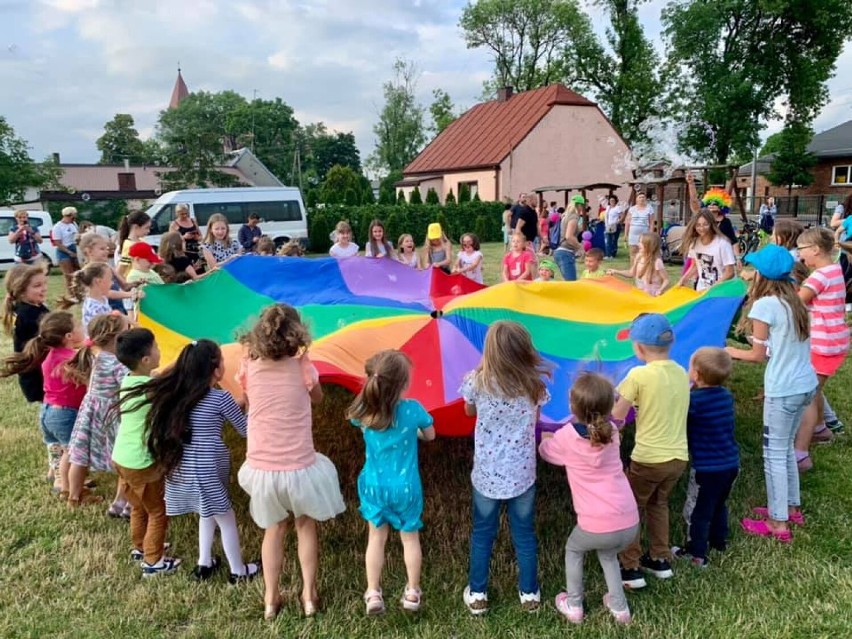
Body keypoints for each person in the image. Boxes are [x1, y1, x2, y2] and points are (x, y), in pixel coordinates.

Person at [236, 304, 345, 620]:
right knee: (304, 523)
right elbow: (319, 398)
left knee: (275, 529)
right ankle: (309, 595)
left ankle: (271, 598)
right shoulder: (303, 368)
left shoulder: (248, 368)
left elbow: (245, 400)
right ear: (297, 335)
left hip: (262, 467)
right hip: (299, 466)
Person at [126, 339, 260, 583]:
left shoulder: (179, 397)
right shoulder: (221, 399)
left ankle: (204, 563)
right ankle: (238, 571)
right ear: (217, 369)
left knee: (206, 512)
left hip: (186, 465)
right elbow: (246, 430)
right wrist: (251, 407)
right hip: (208, 466)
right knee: (226, 518)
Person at [459, 321, 550, 615]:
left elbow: (469, 410)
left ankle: (477, 594)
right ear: (524, 351)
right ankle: (529, 594)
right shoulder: (534, 385)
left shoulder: (477, 381)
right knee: (524, 534)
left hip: (486, 474)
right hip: (522, 474)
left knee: (483, 534)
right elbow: (535, 420)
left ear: (490, 351)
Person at [726, 245, 816, 541]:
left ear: (763, 275)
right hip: (804, 384)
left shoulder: (765, 305)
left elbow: (756, 355)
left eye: (754, 270)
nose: (750, 274)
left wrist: (727, 350)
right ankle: (790, 507)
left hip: (784, 389)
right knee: (786, 448)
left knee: (774, 455)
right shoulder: (796, 301)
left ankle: (779, 524)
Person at [539, 373, 639, 626]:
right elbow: (599, 435)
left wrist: (544, 439)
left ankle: (574, 604)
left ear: (572, 407)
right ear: (609, 406)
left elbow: (548, 454)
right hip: (629, 521)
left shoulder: (566, 437)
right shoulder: (613, 433)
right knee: (608, 555)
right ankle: (619, 607)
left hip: (595, 524)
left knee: (574, 550)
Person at [347, 350, 436, 615]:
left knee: (376, 538)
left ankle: (373, 592)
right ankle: (412, 592)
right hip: (406, 488)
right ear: (404, 384)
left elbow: (361, 424)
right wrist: (415, 432)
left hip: (374, 485)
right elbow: (430, 435)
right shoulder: (413, 410)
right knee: (410, 539)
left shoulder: (363, 409)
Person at [610, 313, 689, 590]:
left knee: (632, 508)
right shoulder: (681, 372)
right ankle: (660, 559)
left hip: (648, 458)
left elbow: (617, 418)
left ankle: (630, 567)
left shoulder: (638, 375)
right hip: (678, 457)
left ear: (639, 347)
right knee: (659, 504)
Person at [112, 328, 182, 577]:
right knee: (157, 511)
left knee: (139, 506)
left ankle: (140, 547)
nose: (160, 350)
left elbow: (157, 377)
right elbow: (171, 390)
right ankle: (153, 562)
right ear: (146, 359)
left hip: (121, 457)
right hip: (141, 463)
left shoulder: (129, 381)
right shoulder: (152, 389)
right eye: (157, 347)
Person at [1, 311, 87, 498]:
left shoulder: (51, 355)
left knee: (62, 450)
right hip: (65, 414)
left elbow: (83, 348)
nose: (83, 328)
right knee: (71, 454)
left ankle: (65, 481)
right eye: (79, 326)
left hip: (48, 411)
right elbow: (84, 367)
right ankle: (67, 489)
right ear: (69, 336)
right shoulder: (71, 358)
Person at [672, 348, 739, 567]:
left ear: (697, 375)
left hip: (707, 470)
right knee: (719, 504)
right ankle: (719, 541)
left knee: (698, 511)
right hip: (730, 464)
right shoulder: (726, 397)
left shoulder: (694, 402)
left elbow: (679, 418)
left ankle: (696, 553)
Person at [794, 227, 849, 468]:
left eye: (801, 250)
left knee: (808, 393)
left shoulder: (819, 276)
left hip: (824, 343)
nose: (799, 255)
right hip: (834, 341)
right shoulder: (834, 269)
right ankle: (820, 429)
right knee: (815, 390)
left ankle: (801, 451)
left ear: (815, 250)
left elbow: (797, 301)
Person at [66, 313, 130, 512]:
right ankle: (122, 502)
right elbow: (131, 383)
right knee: (124, 458)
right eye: (127, 330)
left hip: (90, 413)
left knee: (79, 456)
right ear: (116, 338)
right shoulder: (116, 363)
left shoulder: (96, 355)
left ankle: (73, 496)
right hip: (109, 415)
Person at [2, 264, 51, 483]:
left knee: (53, 421)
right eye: (37, 286)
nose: (44, 289)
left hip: (39, 375)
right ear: (21, 290)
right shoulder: (29, 316)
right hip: (39, 377)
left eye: (44, 284)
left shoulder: (33, 309)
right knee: (55, 424)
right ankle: (60, 470)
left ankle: (57, 467)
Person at [59, 262, 140, 334]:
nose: (112, 283)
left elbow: (111, 295)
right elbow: (105, 332)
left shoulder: (100, 297)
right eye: (110, 279)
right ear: (98, 281)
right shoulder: (95, 308)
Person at [77, 232, 138, 314]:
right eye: (102, 249)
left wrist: (138, 282)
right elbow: (106, 293)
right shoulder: (89, 271)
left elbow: (125, 286)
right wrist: (130, 295)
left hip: (118, 306)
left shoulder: (107, 266)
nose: (106, 252)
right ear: (89, 251)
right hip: (103, 309)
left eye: (107, 249)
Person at [676, 211, 736, 291]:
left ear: (711, 225)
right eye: (698, 225)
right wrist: (682, 281)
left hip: (723, 291)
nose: (702, 228)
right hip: (702, 289)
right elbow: (694, 266)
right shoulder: (694, 244)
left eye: (705, 224)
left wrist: (712, 289)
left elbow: (730, 272)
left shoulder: (723, 244)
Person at [116, 210, 152, 278]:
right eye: (146, 228)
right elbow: (121, 270)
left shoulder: (142, 241)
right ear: (136, 227)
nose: (148, 231)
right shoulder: (129, 245)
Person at [553, 202, 583, 281]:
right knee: (571, 283)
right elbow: (569, 236)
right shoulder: (573, 217)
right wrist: (580, 247)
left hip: (561, 251)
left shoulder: (565, 216)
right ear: (579, 205)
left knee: (567, 282)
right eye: (583, 205)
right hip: (565, 252)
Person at [53, 207, 80, 291]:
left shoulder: (73, 224)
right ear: (70, 215)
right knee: (69, 275)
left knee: (78, 273)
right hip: (63, 251)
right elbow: (57, 243)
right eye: (74, 215)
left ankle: (79, 291)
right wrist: (69, 252)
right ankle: (72, 294)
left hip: (74, 248)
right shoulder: (58, 227)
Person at [624, 192, 655, 265]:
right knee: (633, 252)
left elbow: (651, 222)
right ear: (636, 199)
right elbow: (627, 222)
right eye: (640, 197)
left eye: (643, 197)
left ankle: (642, 268)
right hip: (633, 234)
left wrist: (651, 233)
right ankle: (633, 269)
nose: (641, 199)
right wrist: (626, 234)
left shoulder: (649, 208)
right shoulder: (632, 209)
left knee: (644, 252)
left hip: (644, 233)